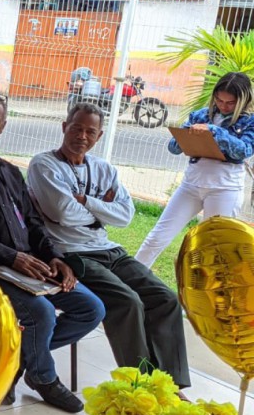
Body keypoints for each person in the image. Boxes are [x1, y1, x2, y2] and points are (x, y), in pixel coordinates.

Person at [0, 92, 105, 413]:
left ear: (3, 126)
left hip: (31, 266)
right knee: (42, 314)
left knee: (91, 308)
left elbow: (33, 222)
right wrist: (13, 257)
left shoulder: (9, 171)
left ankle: (17, 359)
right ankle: (43, 376)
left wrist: (54, 257)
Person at [28, 103, 190, 390]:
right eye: (76, 128)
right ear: (64, 127)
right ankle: (139, 386)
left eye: (90, 131)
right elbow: (63, 213)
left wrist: (85, 201)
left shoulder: (104, 169)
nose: (82, 136)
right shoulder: (44, 165)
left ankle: (170, 386)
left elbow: (125, 215)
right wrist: (102, 209)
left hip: (109, 250)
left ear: (99, 136)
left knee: (165, 298)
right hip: (72, 253)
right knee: (127, 302)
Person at [135, 72, 254, 266]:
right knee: (156, 238)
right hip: (191, 185)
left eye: (230, 103)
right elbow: (173, 147)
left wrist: (214, 131)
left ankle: (207, 287)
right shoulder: (200, 115)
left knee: (214, 249)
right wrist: (187, 135)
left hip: (225, 189)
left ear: (244, 100)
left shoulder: (250, 121)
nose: (223, 106)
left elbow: (244, 150)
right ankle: (128, 280)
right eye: (219, 100)